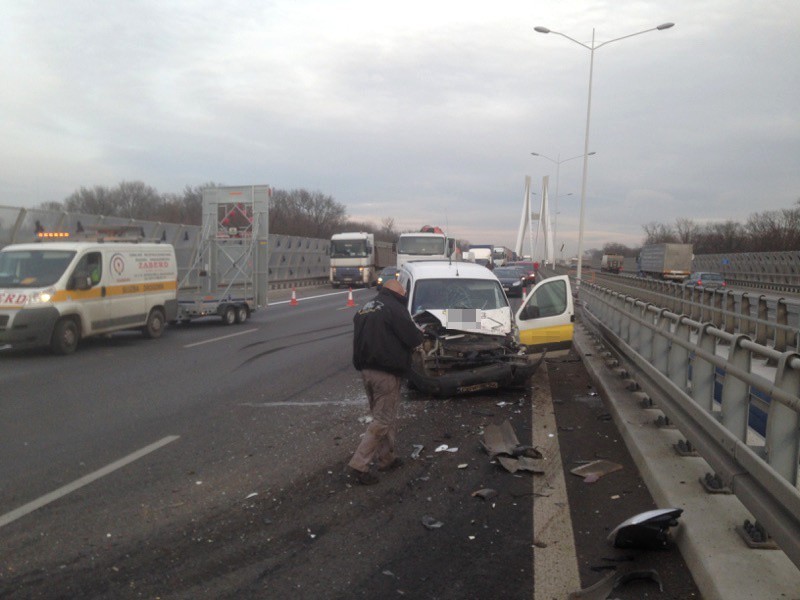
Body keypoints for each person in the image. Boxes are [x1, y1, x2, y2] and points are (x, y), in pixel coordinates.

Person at [348, 279, 424, 485]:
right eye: (404, 292)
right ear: (397, 292)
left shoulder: (365, 308)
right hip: (386, 372)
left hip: (366, 370)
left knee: (382, 417)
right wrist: (421, 335)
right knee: (382, 420)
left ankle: (387, 458)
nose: (405, 294)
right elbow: (413, 338)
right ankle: (358, 464)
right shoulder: (395, 309)